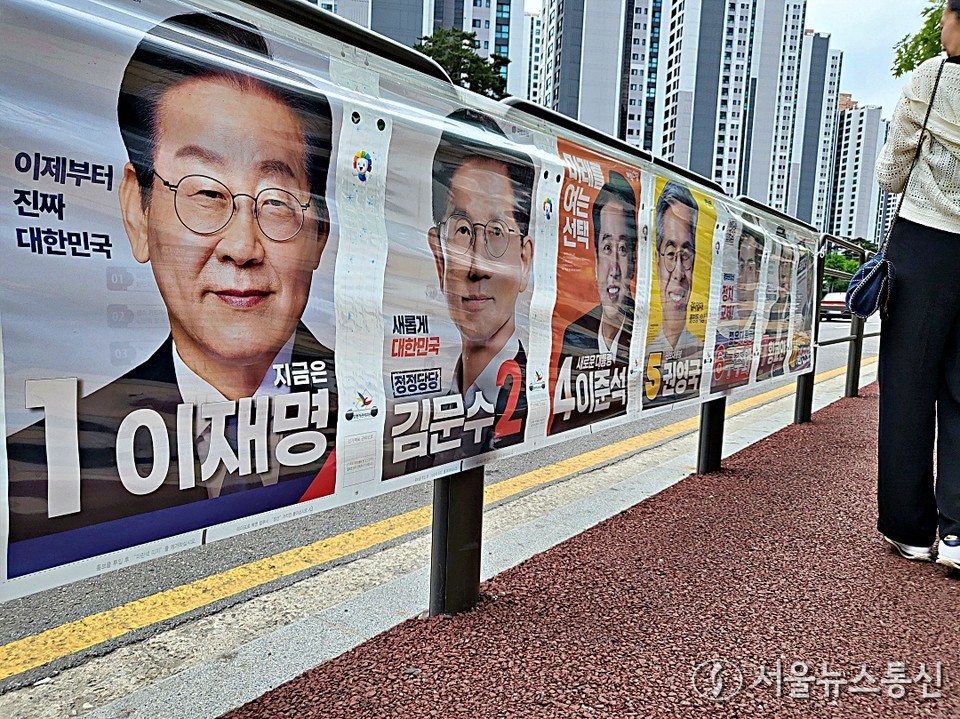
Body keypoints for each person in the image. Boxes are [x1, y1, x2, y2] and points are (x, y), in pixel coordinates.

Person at [6, 12, 337, 545]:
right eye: (205, 194)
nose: (241, 248)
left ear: (318, 234)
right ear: (138, 212)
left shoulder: (377, 417)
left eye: (276, 202)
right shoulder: (38, 463)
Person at [874, 1, 960, 568]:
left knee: (908, 386)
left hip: (925, 243)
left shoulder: (933, 77)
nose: (942, 27)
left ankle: (910, 528)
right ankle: (958, 534)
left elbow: (889, 173)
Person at [425, 108, 535, 458]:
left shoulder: (534, 399)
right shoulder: (436, 401)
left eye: (497, 233)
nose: (476, 266)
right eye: (461, 230)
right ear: (439, 257)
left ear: (524, 260)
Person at [553, 172, 637, 431]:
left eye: (623, 250)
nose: (614, 269)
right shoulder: (574, 335)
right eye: (607, 247)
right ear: (596, 256)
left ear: (633, 261)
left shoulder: (645, 333)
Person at [643, 180, 704, 406]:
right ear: (657, 260)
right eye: (670, 254)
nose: (678, 273)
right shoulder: (639, 355)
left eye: (685, 255)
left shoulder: (704, 353)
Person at [712, 219, 762, 392]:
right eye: (739, 265)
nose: (743, 278)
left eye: (750, 266)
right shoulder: (718, 320)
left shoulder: (766, 320)